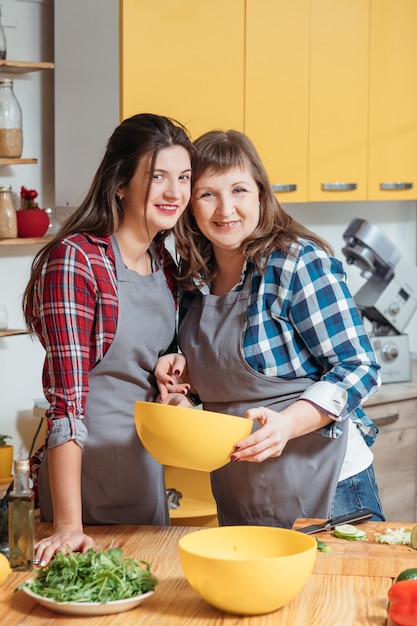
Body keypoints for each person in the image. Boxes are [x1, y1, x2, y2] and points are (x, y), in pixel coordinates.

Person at [156, 129, 385, 528]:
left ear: (261, 194)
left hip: (331, 488)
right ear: (190, 205)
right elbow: (225, 385)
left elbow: (360, 366)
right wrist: (183, 389)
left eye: (240, 190)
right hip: (241, 494)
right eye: (208, 194)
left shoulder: (297, 263)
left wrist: (288, 423)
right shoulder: (193, 281)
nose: (226, 209)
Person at [22, 113, 194, 566]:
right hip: (83, 485)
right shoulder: (76, 260)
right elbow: (66, 402)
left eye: (184, 177)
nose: (175, 192)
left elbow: (149, 361)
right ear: (120, 182)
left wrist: (168, 370)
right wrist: (67, 525)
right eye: (158, 177)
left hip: (144, 476)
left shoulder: (165, 264)